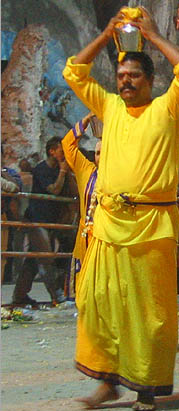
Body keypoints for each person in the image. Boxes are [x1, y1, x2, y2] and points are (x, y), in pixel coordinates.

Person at [62, 6, 179, 411]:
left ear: (151, 80)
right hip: (107, 221)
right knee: (97, 301)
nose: (125, 82)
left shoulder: (168, 109)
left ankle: (146, 385)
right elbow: (75, 72)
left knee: (148, 311)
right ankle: (107, 381)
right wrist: (106, 37)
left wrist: (153, 35)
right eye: (121, 76)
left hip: (152, 223)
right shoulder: (109, 107)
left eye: (134, 76)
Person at [11, 137, 76, 306]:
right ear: (52, 151)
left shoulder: (60, 170)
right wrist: (62, 172)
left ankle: (19, 296)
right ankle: (57, 295)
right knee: (45, 257)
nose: (63, 154)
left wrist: (67, 173)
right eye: (61, 150)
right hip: (36, 220)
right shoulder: (42, 170)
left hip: (51, 220)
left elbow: (72, 192)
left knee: (34, 259)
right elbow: (53, 190)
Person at [61, 112, 101, 299]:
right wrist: (85, 121)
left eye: (105, 152)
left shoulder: (121, 176)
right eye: (97, 153)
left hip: (110, 239)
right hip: (86, 236)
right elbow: (67, 146)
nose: (100, 156)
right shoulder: (87, 170)